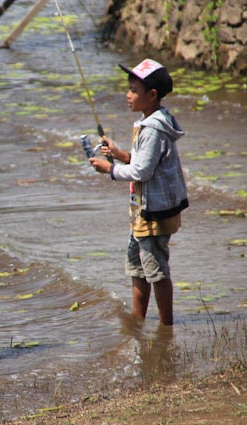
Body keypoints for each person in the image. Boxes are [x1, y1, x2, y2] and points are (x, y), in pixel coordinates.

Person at [89, 58, 188, 326]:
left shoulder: (153, 128)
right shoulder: (148, 121)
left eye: (134, 90)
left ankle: (166, 326)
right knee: (138, 267)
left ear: (152, 95)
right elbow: (145, 162)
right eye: (128, 89)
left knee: (156, 271)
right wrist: (121, 155)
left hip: (154, 213)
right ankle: (138, 321)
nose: (128, 94)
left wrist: (110, 169)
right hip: (143, 211)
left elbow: (142, 171)